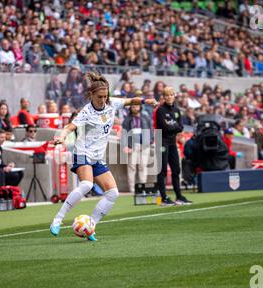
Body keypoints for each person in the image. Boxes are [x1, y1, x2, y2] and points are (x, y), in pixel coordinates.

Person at [50, 72, 157, 241]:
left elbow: (129, 101)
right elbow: (70, 126)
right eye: (100, 96)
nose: (103, 99)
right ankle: (58, 219)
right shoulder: (86, 112)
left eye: (105, 96)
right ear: (91, 94)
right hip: (83, 152)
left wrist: (145, 101)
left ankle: (90, 226)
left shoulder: (111, 103)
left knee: (113, 193)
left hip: (97, 157)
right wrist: (62, 136)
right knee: (86, 184)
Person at [155, 86, 192, 206]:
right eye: (167, 95)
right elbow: (164, 127)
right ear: (164, 97)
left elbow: (181, 127)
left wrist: (173, 127)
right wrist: (174, 127)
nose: (169, 97)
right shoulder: (160, 110)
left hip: (172, 142)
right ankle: (163, 198)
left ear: (174, 96)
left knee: (176, 169)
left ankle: (179, 196)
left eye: (171, 95)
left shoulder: (176, 110)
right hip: (162, 142)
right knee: (162, 171)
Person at [121, 104, 153, 193]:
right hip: (133, 145)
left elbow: (151, 130)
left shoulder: (146, 117)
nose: (135, 108)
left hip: (144, 145)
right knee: (132, 167)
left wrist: (150, 141)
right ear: (130, 108)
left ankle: (142, 187)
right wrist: (125, 146)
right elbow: (124, 133)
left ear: (140, 107)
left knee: (143, 166)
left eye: (137, 106)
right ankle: (132, 189)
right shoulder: (127, 119)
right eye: (133, 106)